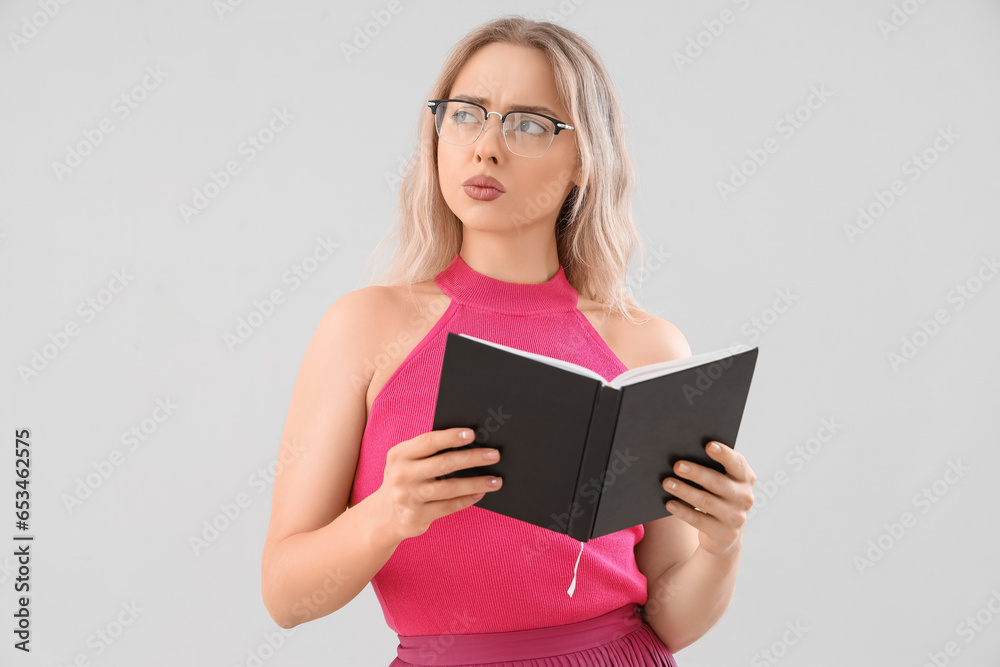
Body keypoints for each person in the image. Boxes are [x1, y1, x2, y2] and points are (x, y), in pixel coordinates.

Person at [260, 15, 757, 667]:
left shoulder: (649, 347)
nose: (486, 148)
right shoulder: (363, 327)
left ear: (583, 159)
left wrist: (723, 545)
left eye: (528, 124)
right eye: (466, 114)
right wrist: (389, 511)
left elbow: (671, 620)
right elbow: (286, 597)